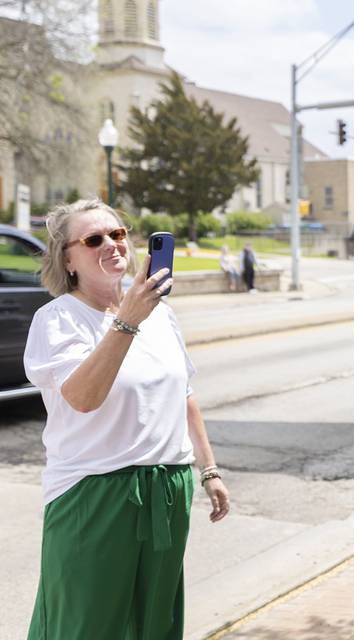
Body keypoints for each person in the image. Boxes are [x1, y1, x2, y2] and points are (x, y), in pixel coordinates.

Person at [24, 198, 230, 640]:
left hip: (167, 487)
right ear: (68, 259)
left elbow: (184, 394)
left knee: (156, 622)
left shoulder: (161, 314)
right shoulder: (58, 319)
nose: (112, 245)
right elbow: (82, 397)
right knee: (85, 624)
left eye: (118, 234)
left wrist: (208, 469)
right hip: (94, 492)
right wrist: (128, 322)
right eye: (94, 238)